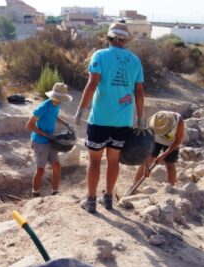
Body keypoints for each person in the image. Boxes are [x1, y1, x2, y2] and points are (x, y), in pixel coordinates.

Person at [74, 22, 145, 213]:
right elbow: (139, 92)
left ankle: (90, 200)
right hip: (123, 121)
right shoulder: (135, 60)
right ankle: (108, 198)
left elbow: (92, 85)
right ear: (125, 40)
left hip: (100, 119)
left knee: (94, 160)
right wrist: (140, 118)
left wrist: (80, 110)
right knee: (113, 160)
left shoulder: (100, 56)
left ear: (110, 38)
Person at [26, 82, 72, 197]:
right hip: (40, 141)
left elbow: (54, 116)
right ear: (53, 96)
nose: (60, 100)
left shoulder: (57, 105)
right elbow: (29, 125)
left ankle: (55, 192)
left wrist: (65, 123)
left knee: (56, 166)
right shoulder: (43, 107)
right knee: (41, 169)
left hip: (51, 140)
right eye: (59, 98)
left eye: (61, 99)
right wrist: (44, 134)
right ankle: (35, 193)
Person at [133, 111, 185, 186]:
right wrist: (146, 167)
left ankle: (171, 188)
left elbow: (178, 141)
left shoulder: (179, 122)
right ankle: (134, 184)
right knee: (146, 161)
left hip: (172, 142)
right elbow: (148, 146)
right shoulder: (154, 121)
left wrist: (164, 155)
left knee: (170, 164)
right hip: (156, 139)